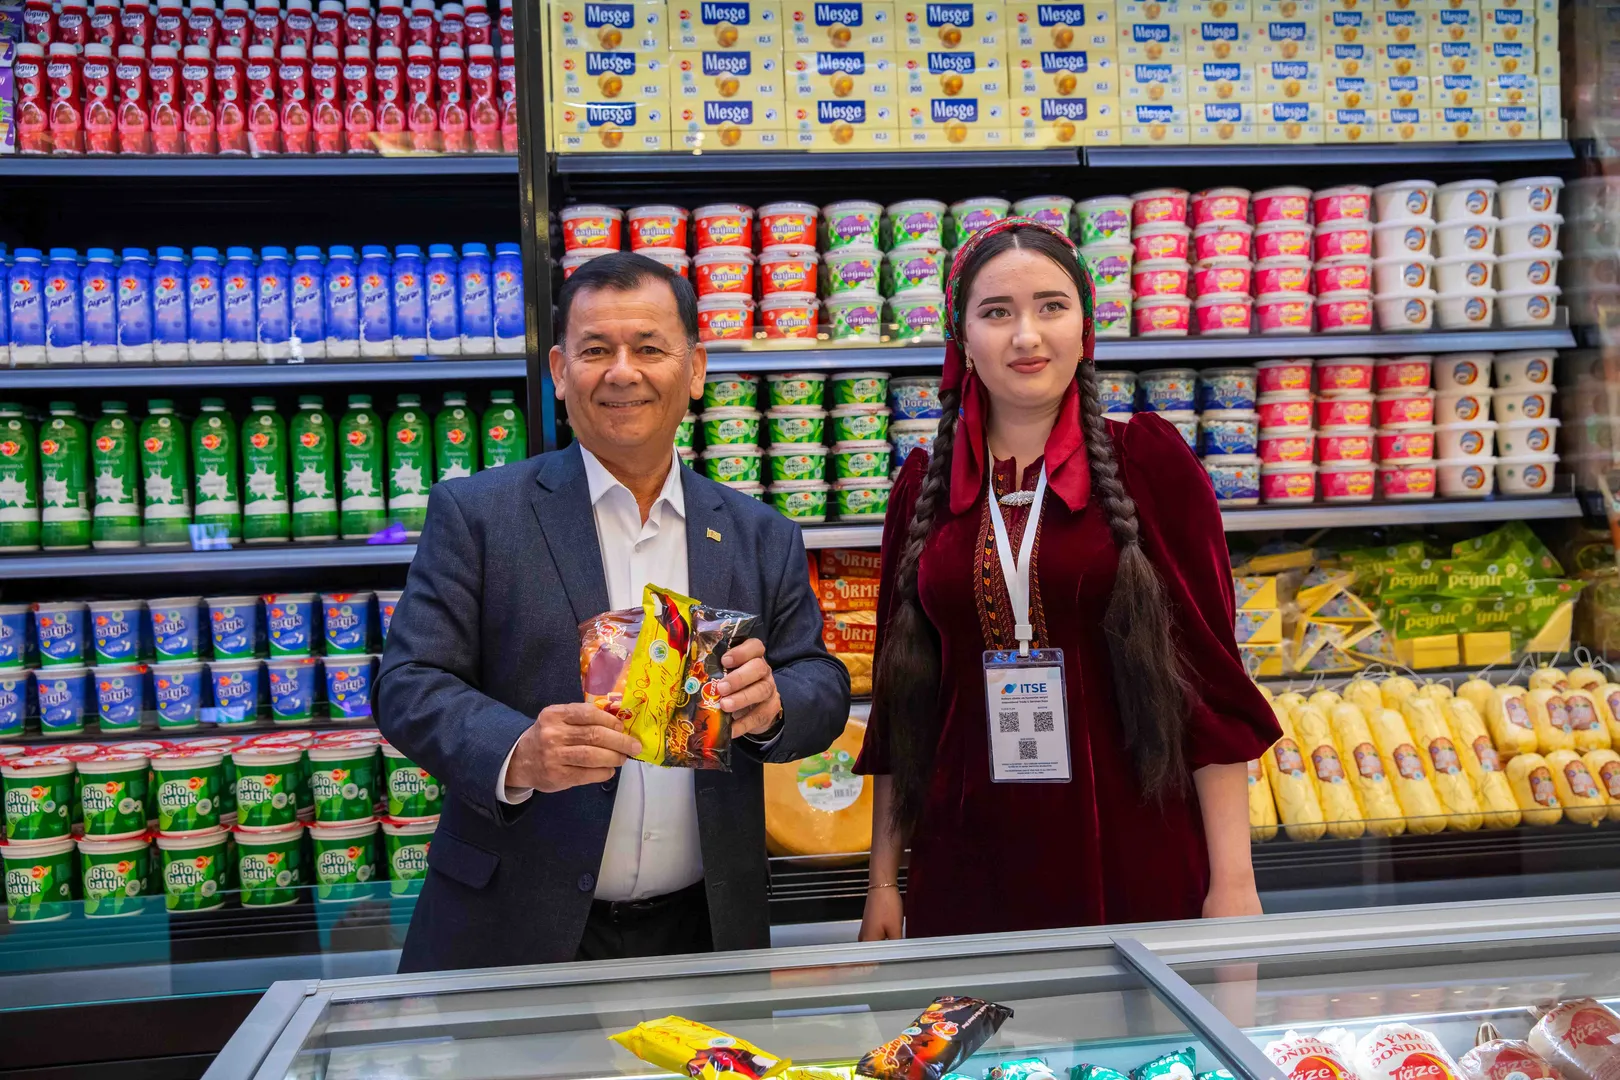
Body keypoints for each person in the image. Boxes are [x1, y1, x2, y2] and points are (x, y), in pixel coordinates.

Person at [377, 252, 851, 972]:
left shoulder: (760, 532)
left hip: (706, 926)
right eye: (596, 350)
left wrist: (775, 704)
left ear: (695, 369)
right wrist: (518, 751)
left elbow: (821, 678)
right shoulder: (479, 514)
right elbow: (408, 684)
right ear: (560, 371)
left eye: (650, 349)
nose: (622, 372)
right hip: (516, 926)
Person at [856, 219, 1281, 941]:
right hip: (964, 859)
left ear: (1085, 328)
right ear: (962, 339)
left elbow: (1209, 687)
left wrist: (1234, 883)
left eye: (1051, 306)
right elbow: (903, 708)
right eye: (997, 312)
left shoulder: (1150, 464)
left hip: (1135, 849)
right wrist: (882, 883)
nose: (1027, 336)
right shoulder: (924, 487)